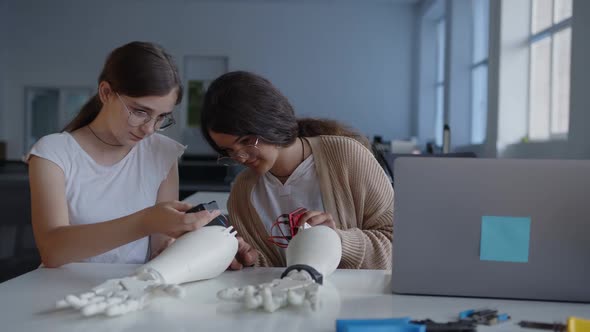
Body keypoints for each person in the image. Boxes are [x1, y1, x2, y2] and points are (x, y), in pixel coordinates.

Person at [27, 41, 220, 268]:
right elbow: (52, 250)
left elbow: (161, 248)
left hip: (131, 292)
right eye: (140, 111)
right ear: (106, 93)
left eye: (161, 117)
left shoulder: (162, 152)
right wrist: (145, 221)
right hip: (57, 290)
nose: (149, 129)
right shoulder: (53, 153)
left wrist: (203, 243)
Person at [200, 71, 393, 270]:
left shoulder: (346, 156)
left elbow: (397, 245)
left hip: (356, 298)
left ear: (270, 121)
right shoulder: (243, 193)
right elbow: (276, 268)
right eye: (229, 151)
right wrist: (251, 260)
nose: (240, 158)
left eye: (246, 141)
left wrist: (337, 241)